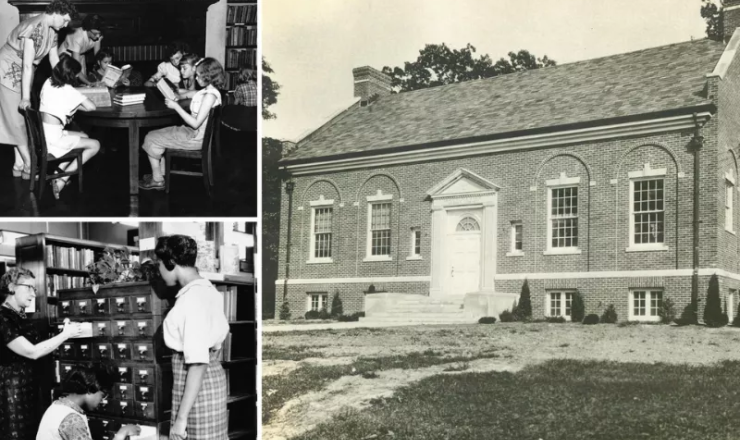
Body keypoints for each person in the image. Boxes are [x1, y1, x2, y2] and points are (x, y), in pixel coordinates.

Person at [155, 235, 229, 440]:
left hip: (196, 388)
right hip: (207, 383)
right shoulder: (208, 290)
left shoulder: (192, 299)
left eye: (159, 264)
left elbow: (197, 363)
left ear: (171, 263)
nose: (159, 272)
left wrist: (180, 420)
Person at [0, 267, 82, 440]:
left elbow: (40, 346)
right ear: (12, 287)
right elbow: (32, 352)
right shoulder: (3, 317)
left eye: (34, 289)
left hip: (31, 391)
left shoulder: (20, 315)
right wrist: (65, 335)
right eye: (28, 287)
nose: (33, 294)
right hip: (12, 394)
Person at [0, 0, 77, 180]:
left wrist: (66, 85)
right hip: (7, 71)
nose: (65, 25)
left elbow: (53, 60)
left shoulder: (52, 30)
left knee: (20, 121)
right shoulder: (34, 27)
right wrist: (25, 98)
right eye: (65, 20)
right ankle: (30, 164)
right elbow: (27, 65)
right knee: (16, 121)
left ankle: (19, 164)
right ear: (56, 12)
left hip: (23, 74)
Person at [139, 57, 224, 191]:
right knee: (156, 134)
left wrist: (176, 107)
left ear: (208, 76)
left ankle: (157, 179)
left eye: (198, 76)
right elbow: (191, 94)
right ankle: (159, 173)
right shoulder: (210, 92)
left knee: (151, 137)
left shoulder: (209, 96)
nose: (196, 79)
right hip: (193, 134)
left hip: (194, 137)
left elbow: (195, 124)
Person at [39, 55, 101, 199]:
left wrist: (76, 103)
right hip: (53, 139)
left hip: (43, 133)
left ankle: (57, 173)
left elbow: (57, 103)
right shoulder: (69, 90)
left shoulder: (48, 82)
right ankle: (62, 180)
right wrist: (80, 99)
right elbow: (91, 107)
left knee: (84, 136)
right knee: (95, 145)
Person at [36, 365, 141, 440]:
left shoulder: (57, 406)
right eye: (102, 395)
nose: (102, 401)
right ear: (91, 390)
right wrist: (122, 433)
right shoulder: (72, 420)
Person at [57, 14, 104, 86]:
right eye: (95, 34)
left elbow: (98, 57)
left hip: (80, 55)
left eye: (99, 34)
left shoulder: (97, 34)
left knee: (83, 83)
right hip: (65, 58)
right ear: (87, 29)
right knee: (68, 84)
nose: (98, 36)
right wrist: (89, 83)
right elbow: (76, 67)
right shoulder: (77, 37)